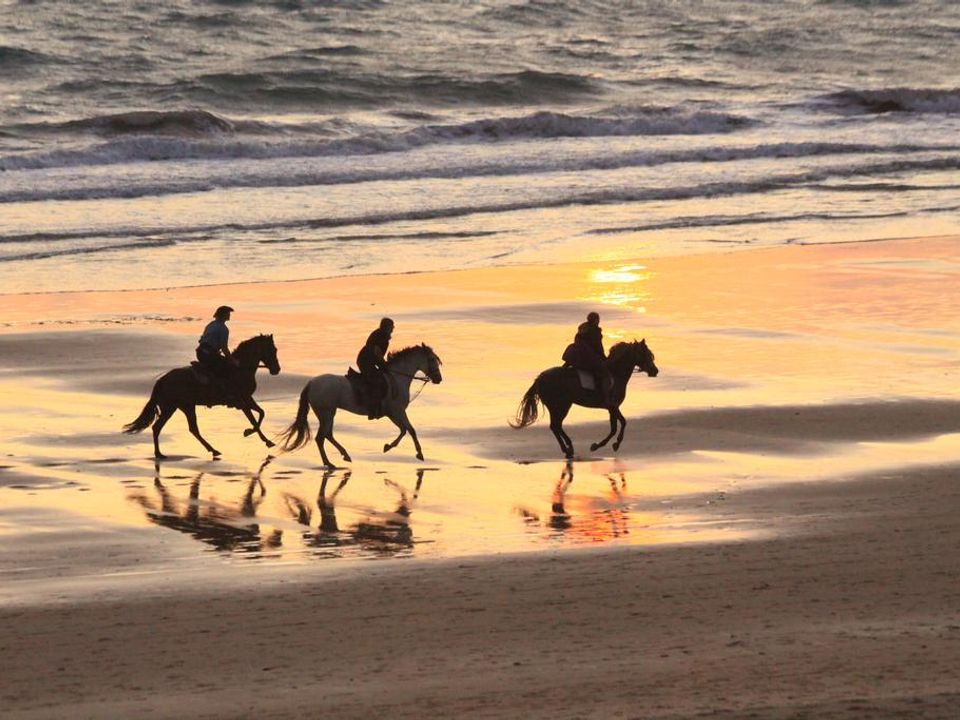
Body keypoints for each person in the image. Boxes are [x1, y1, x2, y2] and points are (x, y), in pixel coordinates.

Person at [196, 305, 236, 399]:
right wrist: (232, 360)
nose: (229, 315)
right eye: (228, 313)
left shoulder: (211, 324)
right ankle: (226, 394)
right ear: (223, 315)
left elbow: (202, 339)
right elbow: (224, 348)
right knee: (227, 369)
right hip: (209, 355)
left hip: (201, 352)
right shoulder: (223, 329)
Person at [572, 311, 612, 407]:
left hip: (578, 357)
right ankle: (603, 397)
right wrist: (604, 358)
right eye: (598, 320)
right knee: (603, 373)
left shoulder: (582, 329)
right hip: (589, 358)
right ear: (595, 320)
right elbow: (598, 348)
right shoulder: (594, 331)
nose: (598, 321)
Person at [357, 317, 393, 419]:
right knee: (377, 381)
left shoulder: (382, 336)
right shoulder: (380, 335)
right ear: (387, 327)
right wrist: (383, 364)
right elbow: (377, 351)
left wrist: (383, 364)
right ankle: (372, 409)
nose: (393, 328)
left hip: (370, 361)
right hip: (365, 362)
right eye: (391, 326)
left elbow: (379, 354)